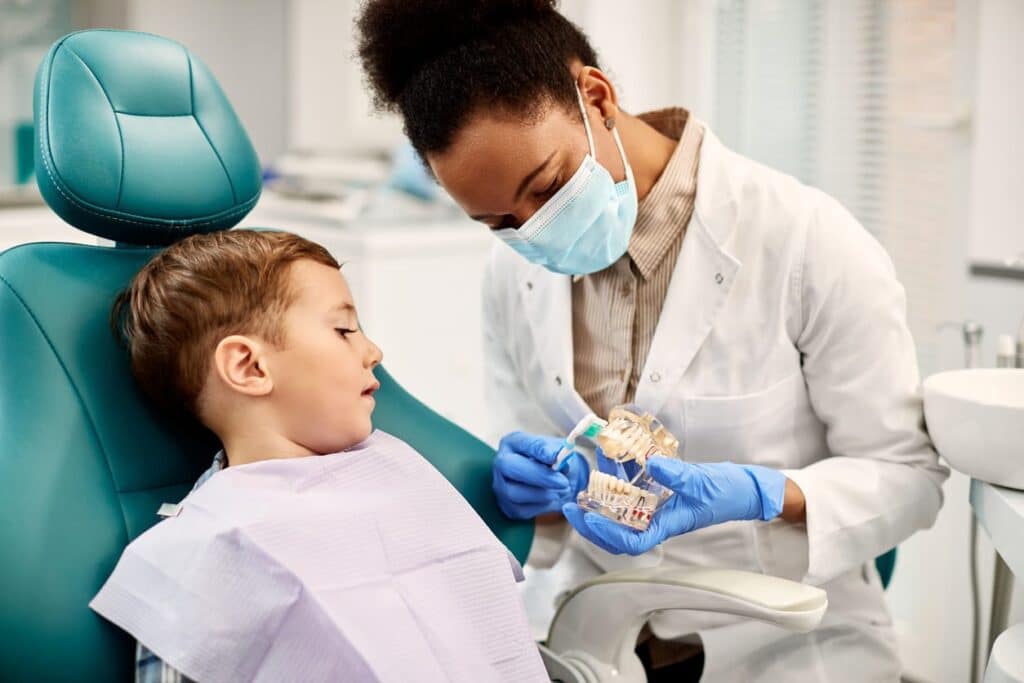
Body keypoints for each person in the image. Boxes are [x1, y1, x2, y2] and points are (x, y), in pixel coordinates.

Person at [355, 1, 950, 681]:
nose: (534, 231)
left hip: (781, 644)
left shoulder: (806, 239)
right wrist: (539, 493)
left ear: (597, 97)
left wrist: (761, 491)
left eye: (546, 186)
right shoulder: (510, 275)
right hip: (596, 634)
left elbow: (909, 477)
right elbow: (547, 490)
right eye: (499, 221)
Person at [91, 230, 547, 682]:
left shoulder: (394, 471)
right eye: (344, 330)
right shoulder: (201, 554)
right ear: (249, 367)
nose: (373, 352)